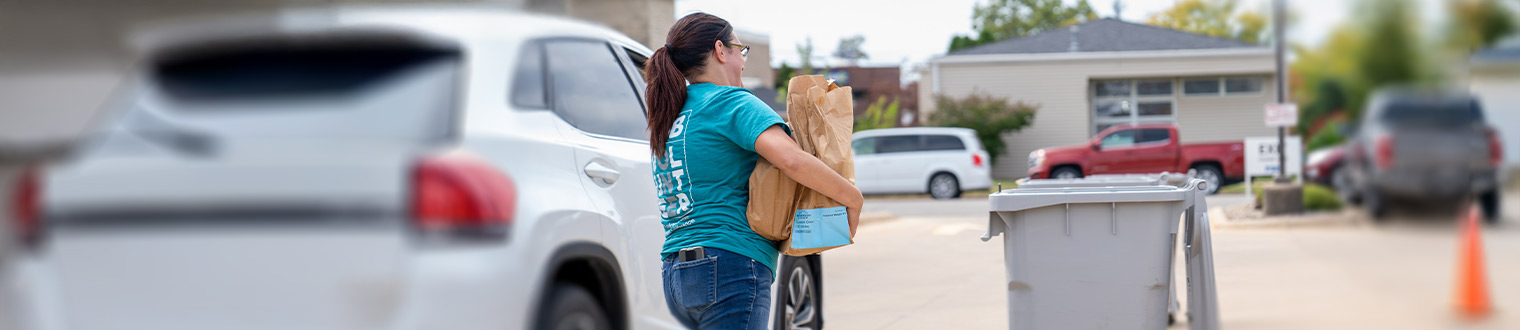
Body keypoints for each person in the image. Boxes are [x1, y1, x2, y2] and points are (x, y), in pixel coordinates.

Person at [644, 12, 863, 330]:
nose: (742, 61)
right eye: (740, 50)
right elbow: (792, 161)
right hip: (729, 266)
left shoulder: (673, 113)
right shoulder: (731, 103)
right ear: (721, 51)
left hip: (676, 273)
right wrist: (852, 197)